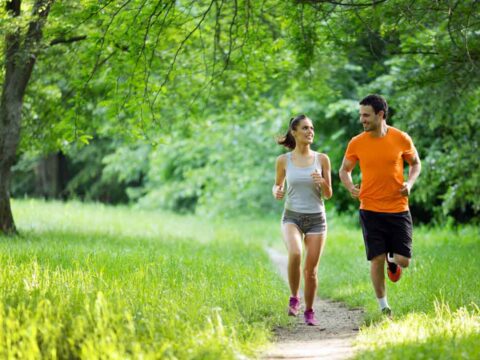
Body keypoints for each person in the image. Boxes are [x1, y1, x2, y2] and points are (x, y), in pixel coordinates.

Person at [339, 94, 421, 315]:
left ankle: (392, 260)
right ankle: (384, 307)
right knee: (376, 259)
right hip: (370, 208)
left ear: (380, 114)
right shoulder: (356, 142)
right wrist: (350, 187)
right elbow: (344, 170)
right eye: (361, 115)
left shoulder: (401, 138)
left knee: (404, 261)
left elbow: (415, 164)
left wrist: (410, 183)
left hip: (398, 208)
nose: (362, 120)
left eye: (366, 115)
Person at [273, 114, 332, 326]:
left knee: (311, 271)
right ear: (294, 132)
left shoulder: (322, 159)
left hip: (317, 219)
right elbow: (277, 185)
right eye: (305, 128)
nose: (310, 132)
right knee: (296, 252)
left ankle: (309, 311)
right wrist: (277, 191)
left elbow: (328, 194)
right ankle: (294, 297)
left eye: (312, 128)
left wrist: (323, 182)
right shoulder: (283, 160)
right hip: (292, 217)